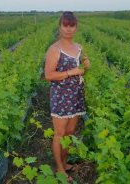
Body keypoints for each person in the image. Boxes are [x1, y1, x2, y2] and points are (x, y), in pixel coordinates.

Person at [44, 11, 90, 183]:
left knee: (70, 132)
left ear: (76, 27)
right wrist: (72, 72)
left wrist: (86, 65)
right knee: (59, 133)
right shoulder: (54, 50)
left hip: (76, 95)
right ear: (60, 27)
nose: (68, 29)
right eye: (65, 25)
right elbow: (48, 75)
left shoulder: (79, 48)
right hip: (61, 97)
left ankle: (65, 162)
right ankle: (60, 169)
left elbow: (81, 70)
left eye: (72, 25)